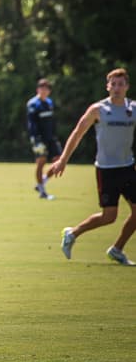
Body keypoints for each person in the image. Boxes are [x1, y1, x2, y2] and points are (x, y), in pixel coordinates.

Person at [50, 68, 136, 266]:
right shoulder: (98, 110)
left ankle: (117, 250)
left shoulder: (133, 108)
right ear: (107, 87)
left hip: (128, 167)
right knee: (109, 216)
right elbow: (77, 133)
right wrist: (63, 159)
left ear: (127, 87)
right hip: (106, 170)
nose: (116, 88)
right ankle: (72, 233)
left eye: (120, 84)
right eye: (113, 84)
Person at [27, 78, 62, 199]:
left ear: (49, 91)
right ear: (38, 90)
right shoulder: (33, 104)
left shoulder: (49, 103)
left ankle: (42, 182)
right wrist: (35, 138)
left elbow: (52, 122)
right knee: (41, 162)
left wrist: (54, 135)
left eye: (46, 89)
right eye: (41, 88)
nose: (44, 91)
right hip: (39, 138)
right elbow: (32, 124)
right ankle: (42, 192)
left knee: (59, 160)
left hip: (50, 137)